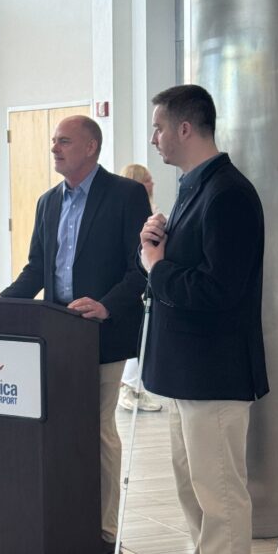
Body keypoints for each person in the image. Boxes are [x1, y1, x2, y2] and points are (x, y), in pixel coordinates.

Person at [137, 84, 268, 554]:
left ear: (187, 128)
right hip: (186, 371)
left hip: (215, 374)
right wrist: (158, 250)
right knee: (195, 496)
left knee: (222, 499)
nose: (154, 138)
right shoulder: (192, 188)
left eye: (160, 127)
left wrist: (157, 268)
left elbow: (220, 291)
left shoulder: (230, 195)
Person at [0, 116, 151, 554]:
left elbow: (140, 268)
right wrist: (1, 302)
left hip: (101, 331)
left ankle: (104, 528)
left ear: (91, 147)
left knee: (98, 428)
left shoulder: (125, 195)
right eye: (53, 142)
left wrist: (107, 305)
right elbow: (37, 269)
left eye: (64, 141)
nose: (55, 149)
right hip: (55, 333)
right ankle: (68, 514)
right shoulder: (47, 202)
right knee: (60, 428)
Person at [118, 164, 162, 413]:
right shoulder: (136, 213)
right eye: (147, 180)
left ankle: (135, 387)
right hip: (139, 281)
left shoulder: (153, 211)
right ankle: (130, 388)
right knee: (139, 333)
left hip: (151, 282)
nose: (152, 184)